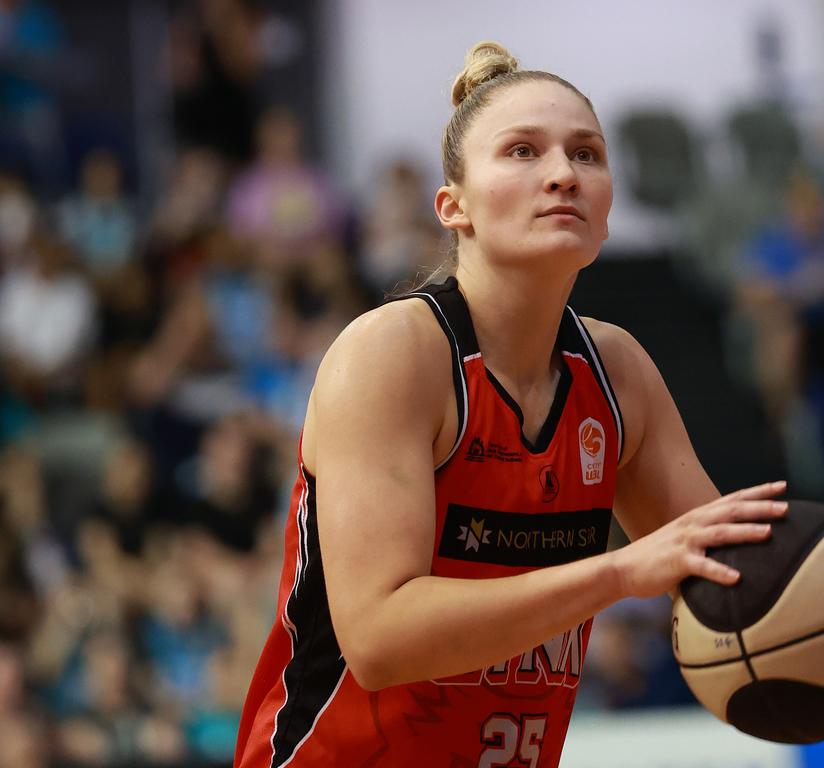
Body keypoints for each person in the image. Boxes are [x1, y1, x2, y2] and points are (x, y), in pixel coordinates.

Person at [233, 42, 787, 767]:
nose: (563, 174)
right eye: (523, 152)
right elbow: (379, 637)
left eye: (587, 155)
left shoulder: (616, 374)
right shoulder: (394, 356)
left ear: (610, 210)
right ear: (452, 207)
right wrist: (616, 575)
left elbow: (720, 581)